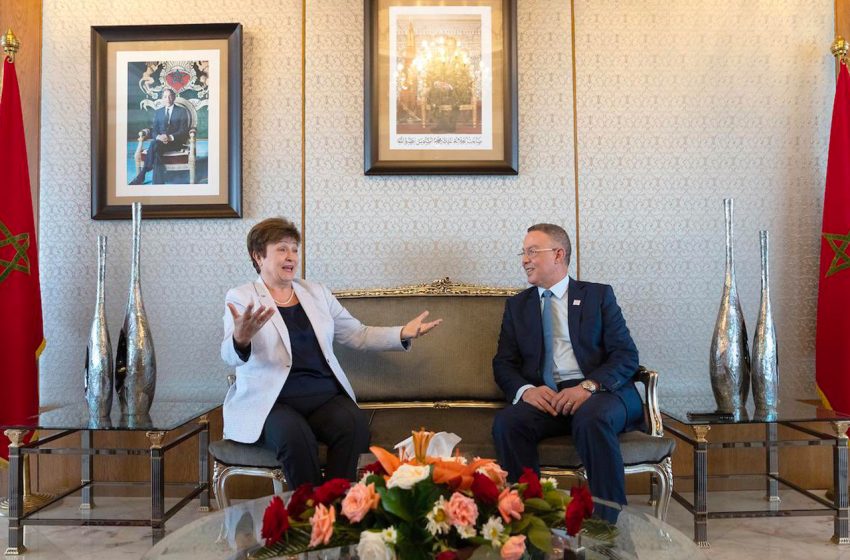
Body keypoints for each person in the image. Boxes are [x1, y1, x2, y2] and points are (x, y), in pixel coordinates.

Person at [221, 217, 441, 488]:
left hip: (322, 396)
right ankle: (311, 508)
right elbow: (228, 356)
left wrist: (402, 333)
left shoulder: (316, 293)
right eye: (282, 249)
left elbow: (357, 334)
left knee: (354, 425)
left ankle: (339, 503)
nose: (291, 257)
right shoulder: (242, 297)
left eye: (294, 249)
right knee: (294, 436)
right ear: (258, 256)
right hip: (272, 401)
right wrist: (240, 338)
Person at [491, 223, 644, 523]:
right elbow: (503, 363)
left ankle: (607, 525)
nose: (524, 259)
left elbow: (626, 355)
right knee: (508, 423)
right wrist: (526, 391)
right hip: (549, 395)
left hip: (600, 391)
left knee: (591, 418)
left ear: (558, 254)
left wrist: (588, 386)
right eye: (523, 253)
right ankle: (530, 520)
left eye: (532, 251)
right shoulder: (518, 306)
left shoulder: (598, 296)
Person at [129, 88, 190, 185]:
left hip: (175, 143)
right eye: (165, 97)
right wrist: (158, 137)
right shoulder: (159, 112)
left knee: (154, 145)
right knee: (156, 150)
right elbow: (154, 130)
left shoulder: (182, 111)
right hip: (160, 142)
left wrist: (170, 137)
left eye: (170, 96)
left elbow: (184, 131)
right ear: (162, 98)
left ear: (174, 97)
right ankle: (158, 182)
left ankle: (142, 174)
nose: (168, 99)